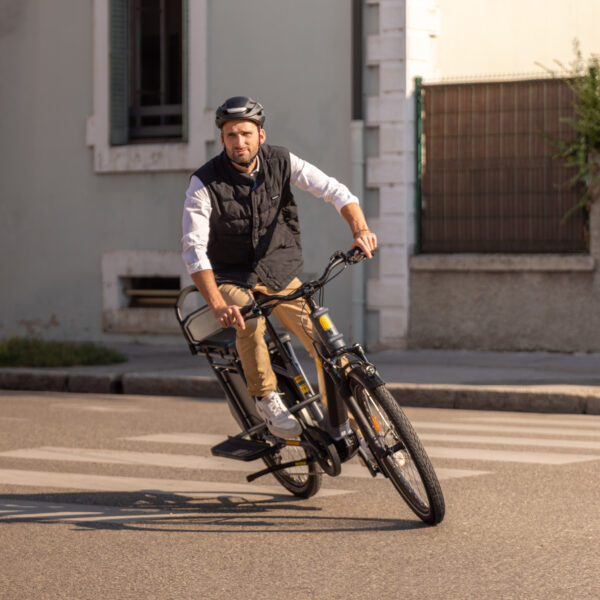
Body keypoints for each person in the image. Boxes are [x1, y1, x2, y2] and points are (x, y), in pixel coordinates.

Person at [182, 96, 377, 439]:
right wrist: (217, 303)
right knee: (249, 317)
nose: (238, 142)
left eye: (245, 133)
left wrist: (360, 230)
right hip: (231, 276)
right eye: (230, 135)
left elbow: (335, 191)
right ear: (222, 138)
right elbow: (194, 249)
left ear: (261, 135)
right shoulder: (204, 183)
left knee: (324, 342)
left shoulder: (282, 161)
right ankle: (267, 398)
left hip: (278, 271)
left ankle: (355, 418)